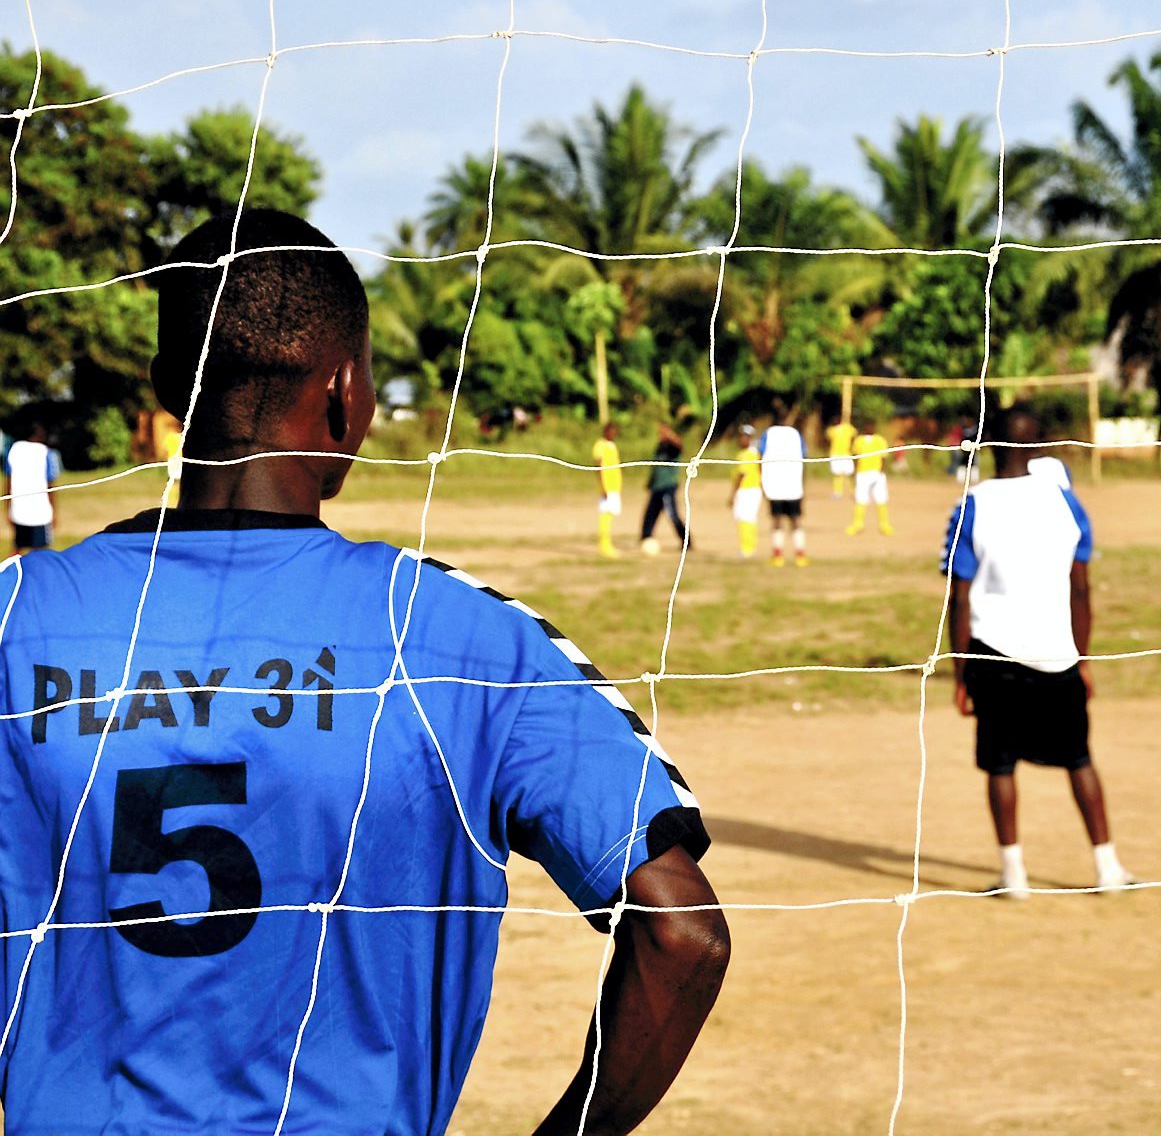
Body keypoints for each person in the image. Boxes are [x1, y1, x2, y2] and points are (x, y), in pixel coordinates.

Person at [0, 210, 727, 1134]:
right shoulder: (458, 637)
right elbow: (683, 932)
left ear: (168, 391)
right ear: (348, 393)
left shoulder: (18, 614)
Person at [941, 407, 1134, 899]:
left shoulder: (974, 504)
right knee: (1079, 758)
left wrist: (961, 673)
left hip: (994, 655)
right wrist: (1082, 658)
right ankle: (1107, 865)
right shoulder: (1064, 501)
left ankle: (1014, 876)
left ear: (988, 446)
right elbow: (1082, 589)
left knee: (1000, 766)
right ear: (1039, 448)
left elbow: (959, 597)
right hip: (1058, 653)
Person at [759, 406, 809, 567]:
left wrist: (763, 481)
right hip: (789, 485)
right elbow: (805, 457)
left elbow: (760, 457)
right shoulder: (795, 434)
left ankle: (783, 554)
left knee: (779, 520)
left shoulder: (769, 434)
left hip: (777, 485)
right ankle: (793, 554)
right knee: (792, 520)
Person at [4, 419, 62, 554]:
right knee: (41, 553)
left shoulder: (13, 450)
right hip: (40, 512)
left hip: (18, 510)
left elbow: (7, 484)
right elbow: (50, 486)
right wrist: (54, 512)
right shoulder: (44, 452)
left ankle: (11, 574)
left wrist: (8, 509)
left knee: (17, 550)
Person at [638, 423, 690, 554]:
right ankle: (646, 538)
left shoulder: (672, 447)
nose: (661, 435)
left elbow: (680, 444)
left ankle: (686, 540)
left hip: (668, 486)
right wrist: (650, 481)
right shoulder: (660, 447)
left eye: (663, 432)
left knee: (671, 513)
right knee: (650, 514)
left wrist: (669, 434)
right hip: (657, 487)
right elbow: (656, 466)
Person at [846, 418, 894, 537]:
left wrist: (882, 472)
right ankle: (858, 524)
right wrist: (855, 472)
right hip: (862, 473)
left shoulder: (880, 440)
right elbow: (855, 456)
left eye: (871, 426)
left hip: (877, 473)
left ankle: (884, 525)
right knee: (861, 499)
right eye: (867, 426)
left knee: (881, 498)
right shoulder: (859, 440)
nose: (869, 428)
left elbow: (884, 457)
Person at [729, 423, 763, 558]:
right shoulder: (755, 453)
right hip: (754, 489)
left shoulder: (746, 454)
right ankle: (749, 547)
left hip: (747, 490)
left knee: (745, 518)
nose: (741, 439)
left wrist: (732, 494)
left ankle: (747, 548)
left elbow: (741, 475)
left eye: (745, 437)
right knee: (749, 518)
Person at [591, 420, 622, 558]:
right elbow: (598, 465)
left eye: (615, 430)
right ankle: (604, 545)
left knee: (610, 515)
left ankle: (607, 544)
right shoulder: (600, 445)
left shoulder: (612, 445)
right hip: (606, 486)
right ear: (605, 431)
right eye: (611, 430)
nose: (613, 433)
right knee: (605, 515)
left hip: (614, 486)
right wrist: (603, 486)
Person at [825, 416, 857, 499]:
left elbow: (854, 435)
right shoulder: (831, 430)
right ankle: (837, 492)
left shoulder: (847, 427)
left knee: (849, 473)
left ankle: (853, 491)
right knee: (837, 474)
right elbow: (827, 440)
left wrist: (851, 446)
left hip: (846, 454)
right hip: (835, 454)